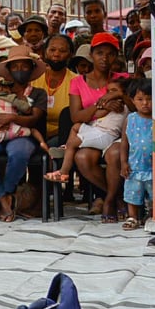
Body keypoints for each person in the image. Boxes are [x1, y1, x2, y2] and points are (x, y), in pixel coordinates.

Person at [47, 78, 129, 218]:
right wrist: (101, 106)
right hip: (99, 131)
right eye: (108, 91)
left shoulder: (120, 103)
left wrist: (112, 100)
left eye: (114, 91)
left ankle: (64, 170)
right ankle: (116, 196)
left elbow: (101, 114)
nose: (110, 94)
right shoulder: (109, 104)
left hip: (107, 135)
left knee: (74, 140)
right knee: (75, 129)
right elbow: (86, 116)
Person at [0, 91, 49, 223]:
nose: (19, 70)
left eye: (25, 68)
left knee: (19, 153)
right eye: (14, 68)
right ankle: (3, 198)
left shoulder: (38, 93)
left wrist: (11, 118)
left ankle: (7, 193)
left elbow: (34, 118)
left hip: (21, 134)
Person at [114, 79, 155, 230]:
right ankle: (132, 216)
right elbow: (124, 143)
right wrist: (124, 162)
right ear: (132, 100)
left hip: (154, 167)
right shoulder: (130, 119)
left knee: (154, 195)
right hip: (135, 166)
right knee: (132, 193)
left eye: (149, 99)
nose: (145, 103)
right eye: (140, 99)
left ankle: (152, 216)